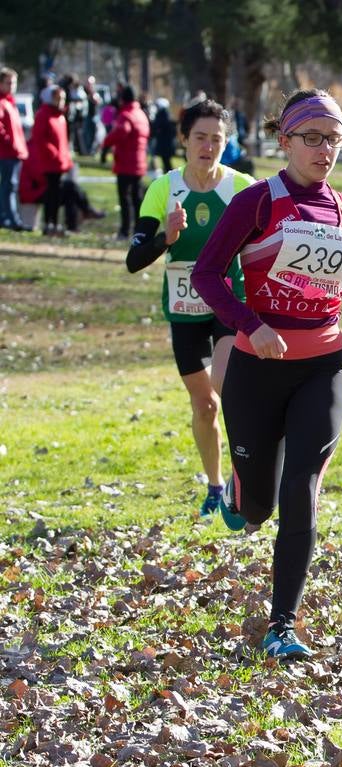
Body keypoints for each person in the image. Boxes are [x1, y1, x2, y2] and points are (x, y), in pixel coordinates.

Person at [191, 89, 342, 660]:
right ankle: (239, 491)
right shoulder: (258, 202)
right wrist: (249, 324)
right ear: (285, 141)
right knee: (257, 508)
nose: (324, 150)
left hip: (323, 368)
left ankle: (281, 626)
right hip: (257, 371)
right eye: (312, 138)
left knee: (301, 490)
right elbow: (208, 274)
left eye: (334, 139)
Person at [126, 100, 256, 517]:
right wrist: (165, 238)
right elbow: (134, 260)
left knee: (227, 387)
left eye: (217, 139)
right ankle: (215, 485)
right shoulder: (163, 189)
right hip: (183, 309)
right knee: (205, 405)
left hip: (228, 304)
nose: (208, 146)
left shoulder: (242, 187)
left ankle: (244, 479)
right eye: (200, 137)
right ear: (183, 139)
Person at [102, 84, 150, 239]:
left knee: (125, 198)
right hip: (139, 162)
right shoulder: (141, 114)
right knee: (137, 199)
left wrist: (106, 144)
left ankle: (125, 230)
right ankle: (139, 230)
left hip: (126, 163)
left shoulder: (126, 115)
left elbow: (122, 131)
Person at [29, 86, 72, 237]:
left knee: (57, 193)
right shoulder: (43, 114)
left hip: (59, 161)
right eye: (58, 98)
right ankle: (49, 223)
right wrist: (53, 153)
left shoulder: (60, 116)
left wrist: (65, 158)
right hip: (50, 162)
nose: (61, 102)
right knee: (51, 192)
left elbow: (63, 141)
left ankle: (55, 222)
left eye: (63, 99)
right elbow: (40, 138)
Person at [0, 66, 31, 231]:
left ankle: (6, 217)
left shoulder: (10, 102)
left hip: (14, 151)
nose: (12, 86)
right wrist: (9, 142)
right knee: (9, 186)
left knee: (9, 186)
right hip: (6, 152)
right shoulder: (2, 102)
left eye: (14, 83)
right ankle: (11, 219)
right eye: (8, 83)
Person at [151, 98, 177, 174]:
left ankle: (170, 175)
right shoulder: (166, 114)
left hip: (165, 144)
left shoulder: (162, 115)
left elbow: (158, 126)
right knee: (166, 161)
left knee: (166, 161)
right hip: (166, 143)